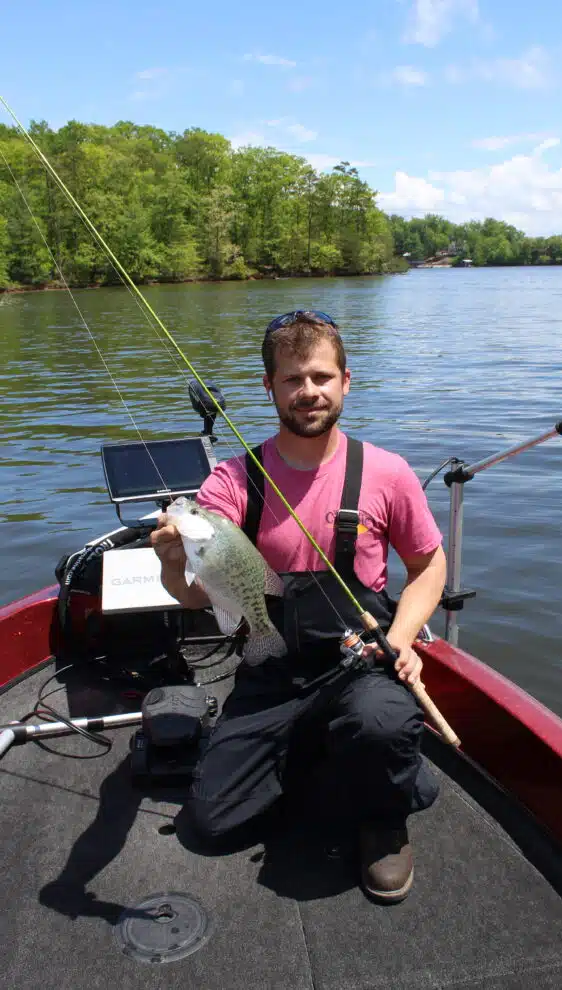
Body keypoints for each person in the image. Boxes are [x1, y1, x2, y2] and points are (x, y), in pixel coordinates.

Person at [151, 310, 446, 903]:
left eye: (320, 377)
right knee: (208, 826)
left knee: (382, 721)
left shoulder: (387, 473)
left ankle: (382, 818)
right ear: (270, 387)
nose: (307, 392)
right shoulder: (232, 483)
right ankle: (334, 758)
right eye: (292, 380)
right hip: (273, 668)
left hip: (359, 662)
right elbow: (199, 596)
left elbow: (428, 566)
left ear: (345, 381)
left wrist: (406, 636)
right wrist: (171, 561)